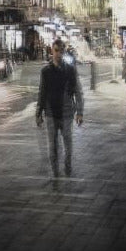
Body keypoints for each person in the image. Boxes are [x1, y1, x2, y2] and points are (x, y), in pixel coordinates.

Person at [35, 39, 84, 185]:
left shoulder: (70, 70)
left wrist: (80, 112)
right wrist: (38, 113)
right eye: (56, 50)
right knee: (53, 146)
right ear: (52, 51)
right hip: (50, 113)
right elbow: (42, 92)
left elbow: (78, 92)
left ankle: (67, 166)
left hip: (67, 113)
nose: (58, 54)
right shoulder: (46, 71)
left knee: (68, 142)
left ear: (63, 52)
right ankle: (55, 171)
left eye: (61, 51)